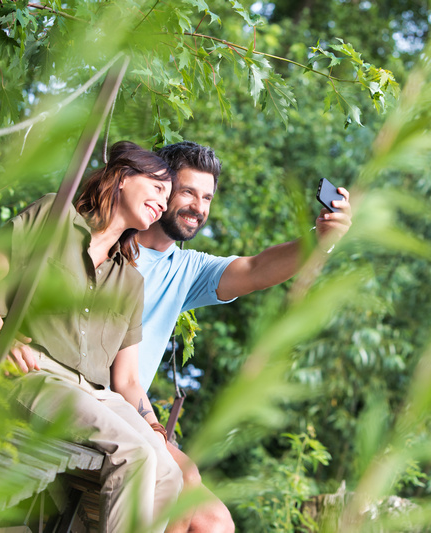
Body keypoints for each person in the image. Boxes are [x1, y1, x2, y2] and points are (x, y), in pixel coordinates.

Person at [133, 141, 352, 532]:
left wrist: (320, 241)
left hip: (137, 415)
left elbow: (255, 269)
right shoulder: (113, 246)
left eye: (207, 198)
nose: (198, 208)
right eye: (188, 192)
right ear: (160, 187)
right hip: (107, 403)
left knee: (216, 523)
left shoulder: (185, 268)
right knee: (185, 483)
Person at [0, 141, 182, 533]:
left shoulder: (130, 281)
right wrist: (0, 335)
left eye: (167, 197)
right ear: (122, 178)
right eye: (157, 188)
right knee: (134, 454)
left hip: (98, 395)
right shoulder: (54, 217)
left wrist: (152, 424)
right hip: (37, 373)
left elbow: (130, 380)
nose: (163, 202)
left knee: (170, 473)